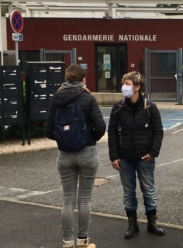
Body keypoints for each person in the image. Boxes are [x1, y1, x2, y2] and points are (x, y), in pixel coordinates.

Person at [45, 64, 106, 248]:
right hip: (87, 153)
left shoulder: (56, 98)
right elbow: (101, 127)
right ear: (83, 79)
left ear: (67, 78)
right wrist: (89, 139)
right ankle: (83, 240)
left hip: (64, 155)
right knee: (85, 199)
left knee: (67, 200)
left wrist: (63, 140)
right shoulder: (87, 98)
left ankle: (67, 242)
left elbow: (48, 130)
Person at [107, 71, 165, 239]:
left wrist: (153, 153)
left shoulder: (150, 107)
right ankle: (132, 224)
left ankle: (152, 223)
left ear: (138, 87)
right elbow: (111, 132)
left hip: (144, 157)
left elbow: (158, 131)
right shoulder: (118, 107)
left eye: (128, 84)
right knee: (128, 192)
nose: (124, 87)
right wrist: (114, 156)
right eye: (123, 84)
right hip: (124, 157)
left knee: (148, 190)